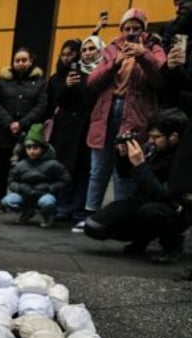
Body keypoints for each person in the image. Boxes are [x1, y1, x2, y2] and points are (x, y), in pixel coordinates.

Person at [78, 8, 166, 231]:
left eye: (136, 28)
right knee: (98, 169)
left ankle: (118, 220)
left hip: (135, 116)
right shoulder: (110, 50)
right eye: (127, 28)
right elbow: (93, 82)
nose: (131, 32)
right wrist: (114, 63)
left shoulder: (153, 49)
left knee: (123, 171)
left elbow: (160, 79)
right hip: (106, 112)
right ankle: (89, 215)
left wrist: (143, 55)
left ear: (144, 30)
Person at [84, 108, 188, 263]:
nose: (151, 141)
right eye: (150, 136)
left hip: (177, 208)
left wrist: (140, 165)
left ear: (173, 137)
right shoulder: (155, 149)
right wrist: (123, 156)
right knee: (94, 226)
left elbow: (164, 194)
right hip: (143, 202)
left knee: (151, 212)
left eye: (156, 137)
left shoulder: (184, 160)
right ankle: (142, 238)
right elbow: (125, 174)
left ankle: (173, 246)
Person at [47, 37, 101, 225]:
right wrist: (68, 86)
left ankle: (77, 208)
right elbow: (57, 101)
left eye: (71, 54)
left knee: (82, 170)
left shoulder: (96, 73)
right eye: (64, 54)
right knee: (64, 168)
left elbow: (90, 101)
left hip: (86, 125)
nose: (67, 58)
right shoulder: (59, 77)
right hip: (64, 128)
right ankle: (61, 206)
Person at [0, 47, 47, 213]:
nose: (20, 63)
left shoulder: (40, 82)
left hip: (27, 133)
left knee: (27, 170)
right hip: (1, 132)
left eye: (24, 60)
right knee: (1, 169)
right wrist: (9, 122)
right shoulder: (1, 81)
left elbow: (41, 106)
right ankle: (1, 201)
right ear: (12, 62)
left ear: (30, 61)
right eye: (17, 60)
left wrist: (21, 123)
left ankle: (23, 202)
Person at [0, 123, 71, 227]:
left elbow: (66, 179)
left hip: (44, 194)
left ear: (42, 148)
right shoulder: (21, 165)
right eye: (28, 148)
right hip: (25, 194)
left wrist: (50, 187)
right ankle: (27, 211)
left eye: (35, 147)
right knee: (7, 201)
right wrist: (20, 187)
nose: (31, 151)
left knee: (47, 202)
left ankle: (47, 215)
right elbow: (11, 180)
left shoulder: (53, 164)